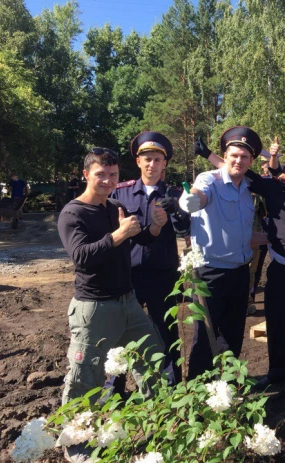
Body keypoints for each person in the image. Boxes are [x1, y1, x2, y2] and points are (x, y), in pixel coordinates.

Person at [57, 148, 167, 462]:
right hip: (94, 309)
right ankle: (77, 444)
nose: (107, 180)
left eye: (113, 175)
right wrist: (118, 235)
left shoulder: (115, 206)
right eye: (100, 175)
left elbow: (138, 239)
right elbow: (81, 257)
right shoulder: (72, 213)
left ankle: (160, 426)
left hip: (128, 303)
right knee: (85, 377)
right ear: (86, 175)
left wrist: (155, 227)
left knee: (153, 359)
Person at [204, 145, 285, 400]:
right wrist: (207, 154)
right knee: (276, 323)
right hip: (280, 269)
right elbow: (236, 169)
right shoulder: (272, 186)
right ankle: (277, 371)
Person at [179, 126, 262, 379]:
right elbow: (195, 199)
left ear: (251, 161)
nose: (238, 160)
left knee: (233, 335)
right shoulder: (209, 180)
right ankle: (196, 390)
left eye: (244, 157)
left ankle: (224, 386)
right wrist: (187, 202)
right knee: (204, 335)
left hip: (239, 273)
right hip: (209, 275)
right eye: (234, 155)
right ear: (225, 155)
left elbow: (244, 234)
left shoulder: (250, 189)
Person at [111, 131, 190, 384]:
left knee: (167, 331)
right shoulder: (120, 193)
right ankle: (116, 388)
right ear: (138, 162)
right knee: (120, 332)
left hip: (163, 277)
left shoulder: (176, 195)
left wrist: (177, 211)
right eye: (147, 159)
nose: (152, 164)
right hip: (127, 276)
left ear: (164, 163)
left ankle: (174, 385)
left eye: (157, 159)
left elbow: (187, 231)